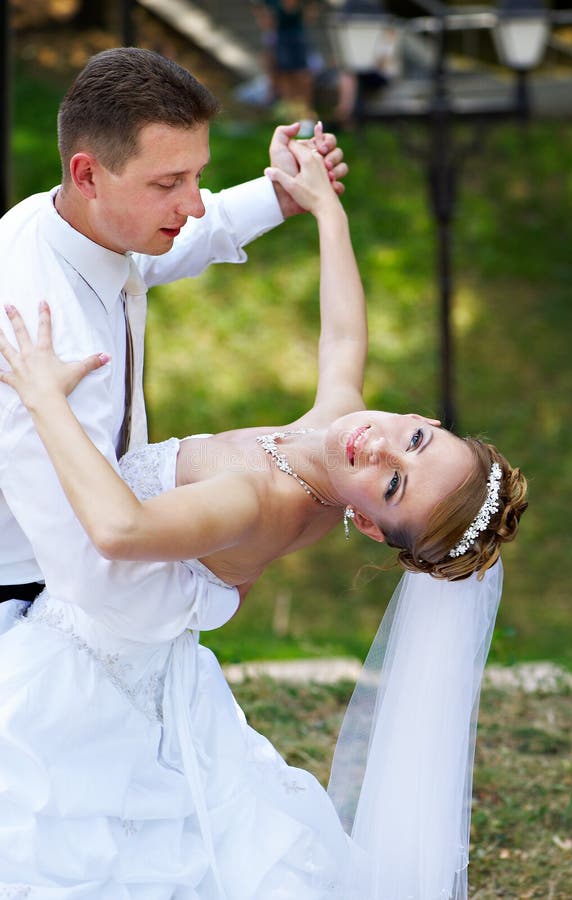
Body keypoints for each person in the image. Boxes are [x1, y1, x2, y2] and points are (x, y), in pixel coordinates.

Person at [0, 141, 527, 897]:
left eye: (393, 486)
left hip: (86, 658)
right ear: (419, 416)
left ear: (373, 527)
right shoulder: (332, 439)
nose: (378, 448)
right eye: (413, 439)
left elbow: (118, 530)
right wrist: (325, 210)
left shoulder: (260, 497)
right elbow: (343, 337)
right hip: (145, 645)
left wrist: (45, 401)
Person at [0, 46, 347, 619]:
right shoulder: (41, 335)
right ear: (88, 174)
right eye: (168, 184)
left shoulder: (65, 222)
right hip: (32, 604)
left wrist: (278, 194)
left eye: (197, 177)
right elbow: (87, 558)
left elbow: (175, 241)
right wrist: (213, 595)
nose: (194, 205)